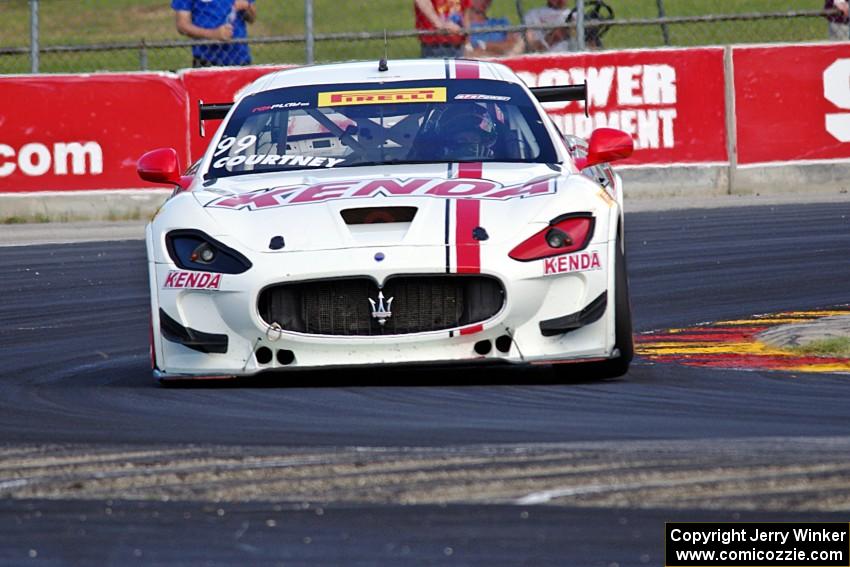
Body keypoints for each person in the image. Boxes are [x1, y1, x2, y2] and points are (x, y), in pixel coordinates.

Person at [172, 0, 257, 67]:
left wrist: (247, 6)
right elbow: (182, 25)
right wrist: (213, 34)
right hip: (206, 59)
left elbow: (252, 19)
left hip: (240, 56)